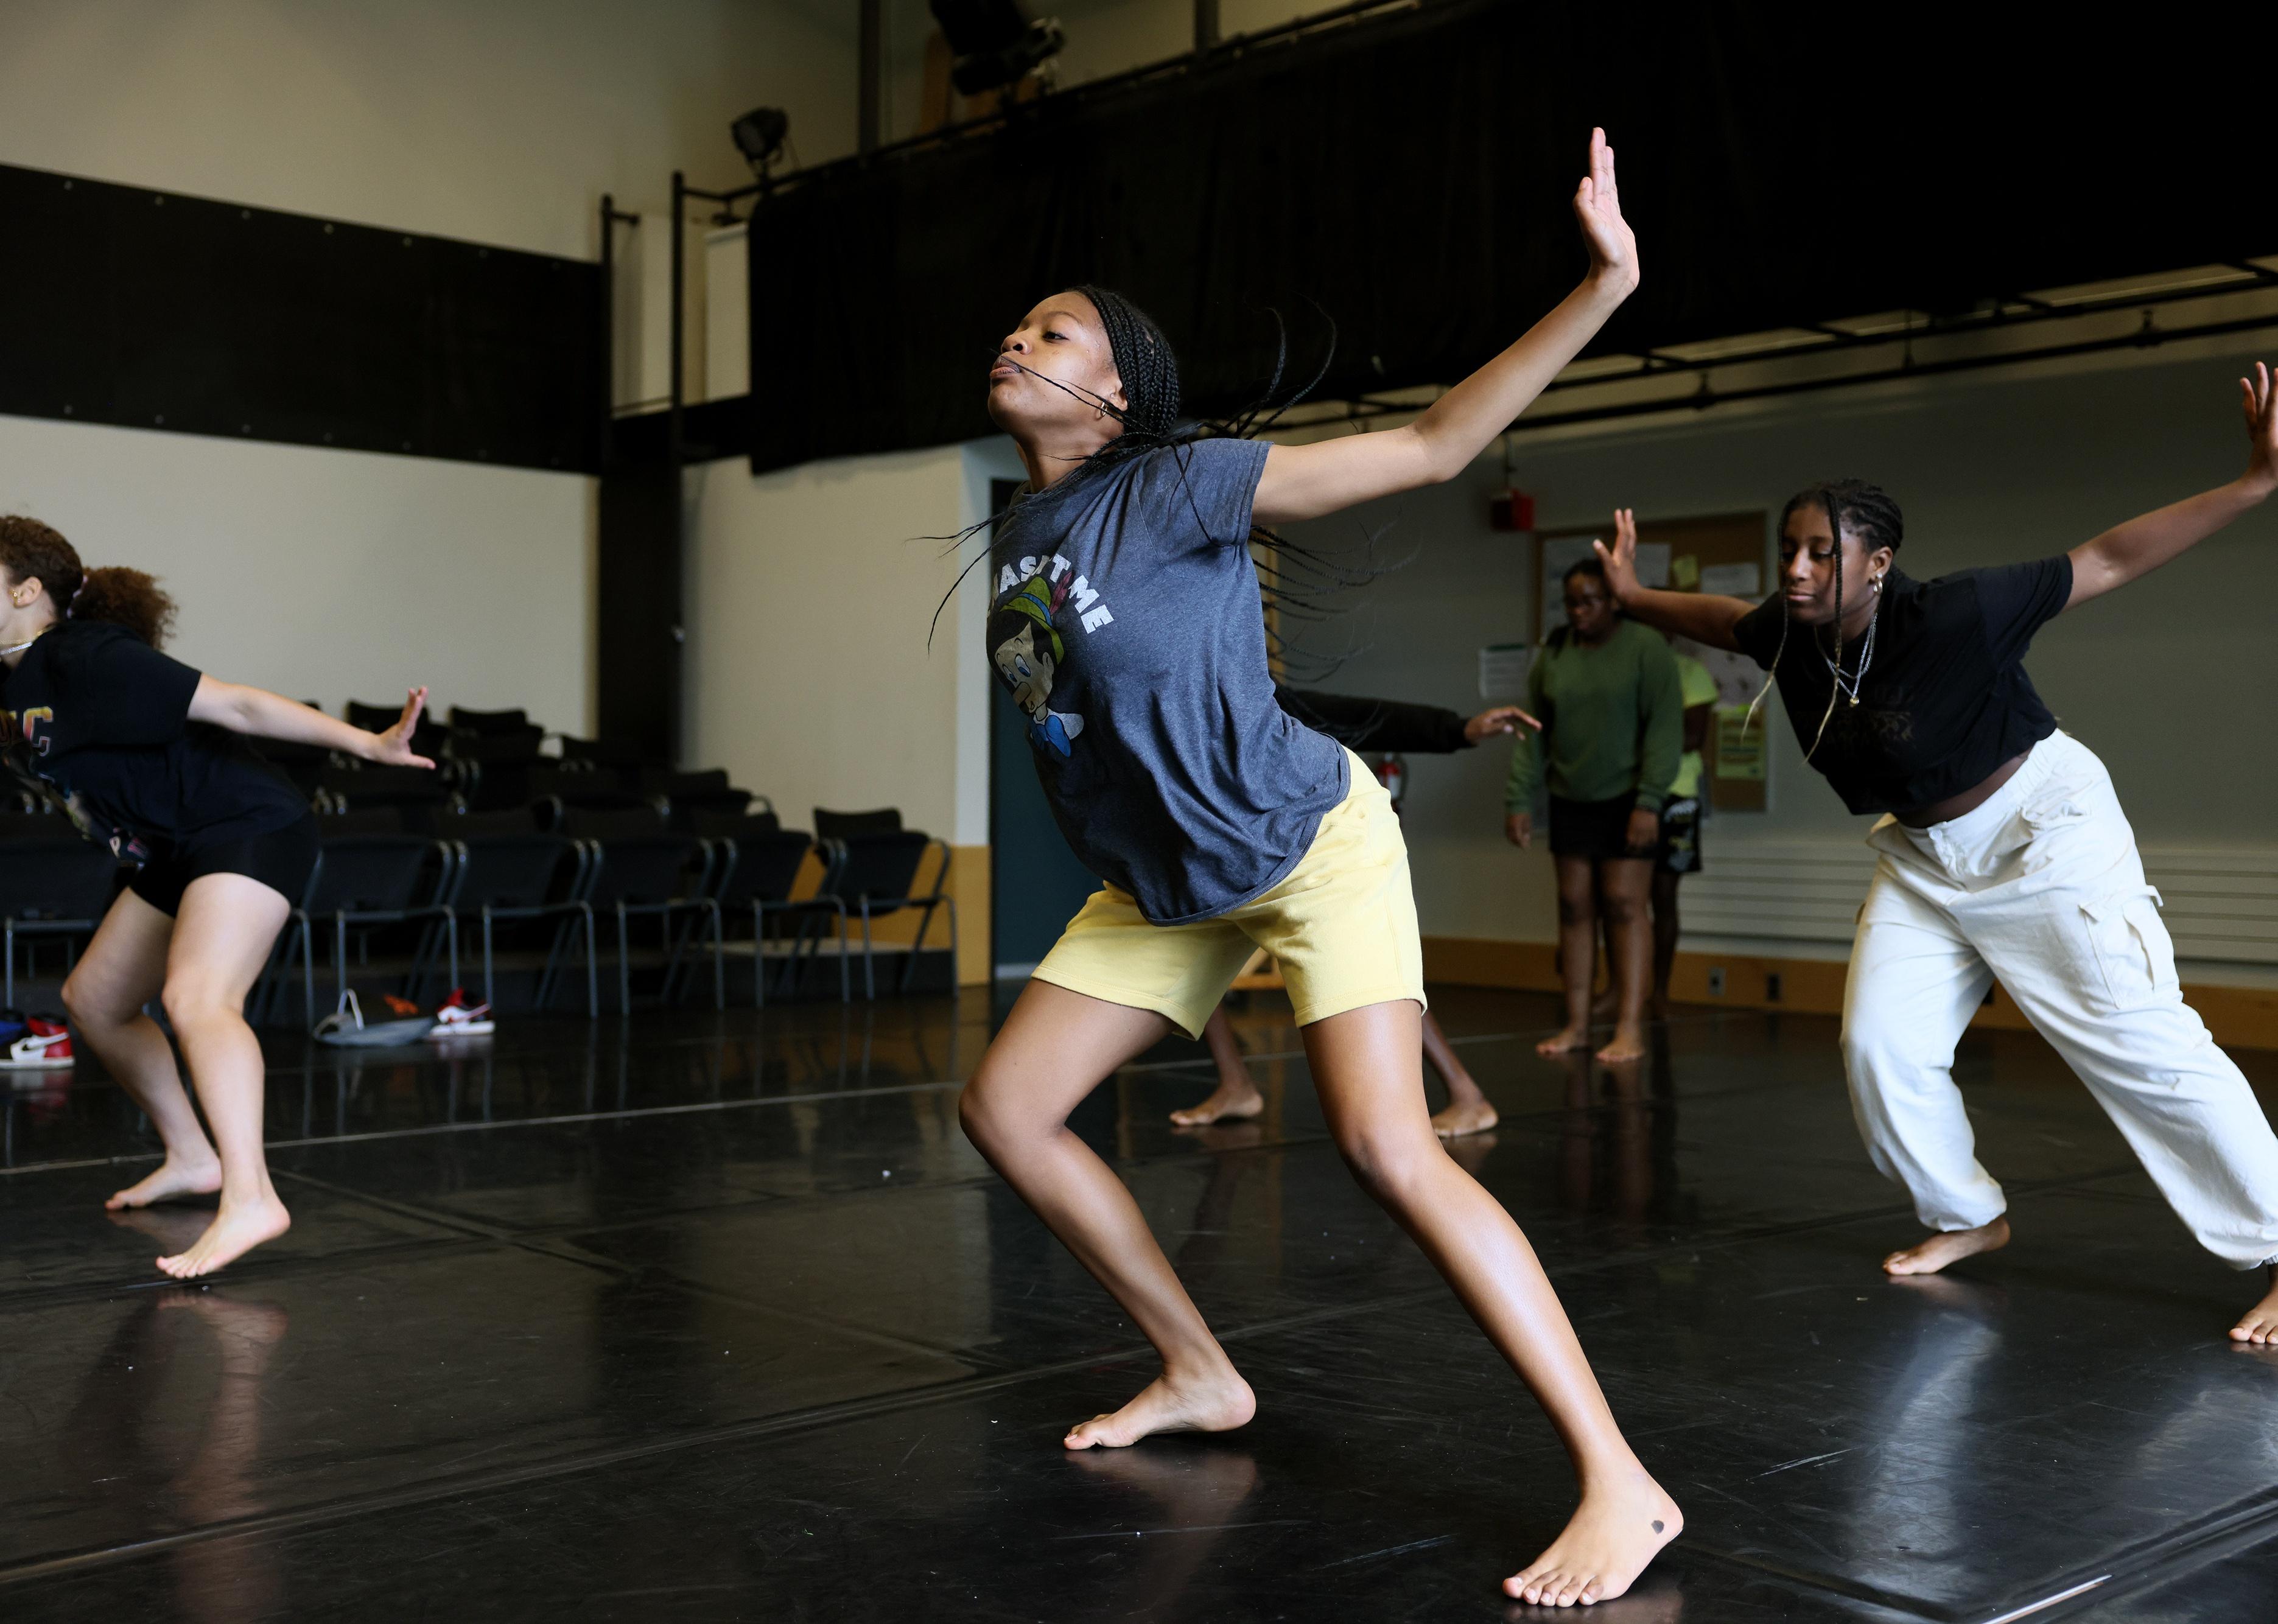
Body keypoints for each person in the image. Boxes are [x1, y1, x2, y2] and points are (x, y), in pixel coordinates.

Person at [957, 131, 1680, 1608]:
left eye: (1054, 331)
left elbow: (1427, 451)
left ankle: (1621, 1478)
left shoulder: (1176, 487)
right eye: (1017, 323)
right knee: (1008, 1109)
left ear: (1114, 392)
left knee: (1385, 1148)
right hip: (1166, 884)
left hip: (1301, 844)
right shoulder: (1024, 526)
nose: (1015, 340)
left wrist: (1601, 286)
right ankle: (1199, 1369)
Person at [1593, 359, 2278, 1345]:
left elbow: (2112, 559)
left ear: (1876, 563)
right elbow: (1716, 620)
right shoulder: (1791, 632)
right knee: (1880, 1043)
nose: (1794, 571)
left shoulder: (1957, 612)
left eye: (1819, 554)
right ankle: (1966, 1213)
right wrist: (1630, 589)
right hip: (1922, 857)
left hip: (2043, 837)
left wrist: (2255, 481)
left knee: (2142, 1045)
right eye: (1788, 551)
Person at [0, 516, 433, 1278]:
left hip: (246, 823)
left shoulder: (85, 653)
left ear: (27, 590)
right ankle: (192, 1157)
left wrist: (367, 745)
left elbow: (234, 705)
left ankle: (252, 1196)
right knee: (95, 998)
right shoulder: (9, 679)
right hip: (176, 844)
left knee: (199, 997)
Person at [1170, 688, 1533, 1139]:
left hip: (1295, 854)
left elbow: (1353, 714)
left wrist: (1457, 729)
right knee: (1185, 939)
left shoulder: (1234, 685)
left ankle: (1467, 1095)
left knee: (1375, 981)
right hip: (1226, 855)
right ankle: (1236, 1084)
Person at [1503, 558, 1681, 1063]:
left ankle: (1630, 1028)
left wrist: (1649, 802)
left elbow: (1665, 732)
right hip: (1570, 798)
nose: (1579, 612)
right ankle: (1578, 1025)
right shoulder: (1556, 652)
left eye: (1591, 602)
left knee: (1625, 906)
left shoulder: (1647, 650)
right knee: (1574, 908)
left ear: (1615, 602)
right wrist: (1519, 799)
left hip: (1629, 800)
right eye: (1572, 602)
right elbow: (1532, 735)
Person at [1649, 644, 1719, 1017]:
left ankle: (1660, 992)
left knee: (1663, 896)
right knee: (1620, 901)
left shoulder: (1690, 672)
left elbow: (1693, 738)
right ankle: (1620, 988)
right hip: (1625, 792)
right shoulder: (1627, 667)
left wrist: (1638, 737)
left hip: (1676, 794)